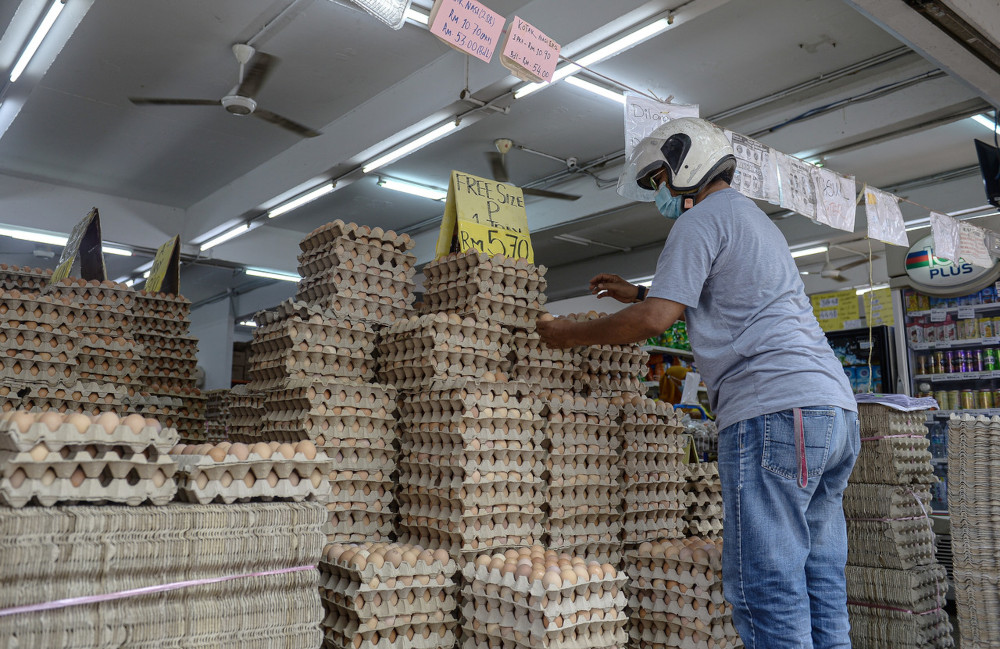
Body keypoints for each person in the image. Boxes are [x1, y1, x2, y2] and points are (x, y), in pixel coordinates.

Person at [536, 117, 859, 649]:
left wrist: (570, 336)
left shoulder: (699, 220)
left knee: (766, 583)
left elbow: (655, 324)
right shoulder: (751, 219)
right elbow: (722, 299)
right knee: (817, 575)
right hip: (831, 411)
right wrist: (641, 293)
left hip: (772, 410)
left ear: (685, 164)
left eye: (659, 178)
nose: (659, 193)